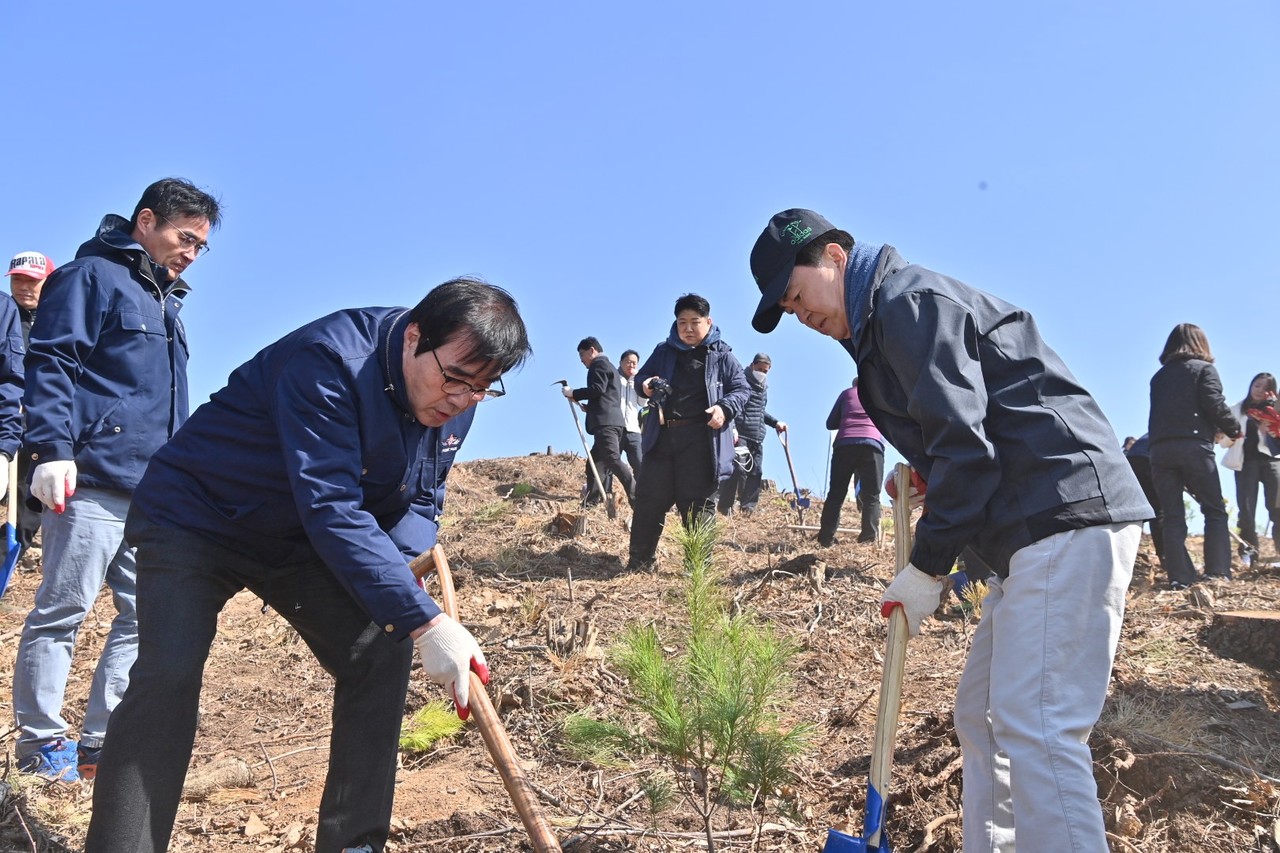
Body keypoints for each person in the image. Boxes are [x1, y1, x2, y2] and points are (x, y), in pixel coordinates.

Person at [748, 208, 1151, 852]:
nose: (800, 316)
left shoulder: (909, 303)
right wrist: (929, 480)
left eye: (796, 296)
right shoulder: (884, 331)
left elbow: (969, 450)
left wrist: (927, 568)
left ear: (833, 257)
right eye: (787, 311)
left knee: (1038, 723)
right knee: (983, 715)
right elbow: (971, 436)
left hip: (1063, 511)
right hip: (1026, 530)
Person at [83, 278, 530, 853]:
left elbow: (419, 500)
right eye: (455, 378)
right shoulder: (331, 361)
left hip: (299, 540)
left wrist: (398, 591)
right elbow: (332, 504)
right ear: (414, 335)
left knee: (380, 646)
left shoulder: (457, 402)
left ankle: (354, 844)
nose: (462, 399)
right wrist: (426, 621)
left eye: (483, 388)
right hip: (199, 518)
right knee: (167, 675)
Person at [13, 178, 221, 783]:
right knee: (63, 608)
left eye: (201, 246)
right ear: (146, 221)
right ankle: (40, 744)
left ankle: (101, 741)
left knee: (141, 616)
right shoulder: (91, 277)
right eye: (185, 238)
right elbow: (52, 362)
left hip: (151, 491)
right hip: (91, 480)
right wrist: (51, 450)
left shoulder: (166, 303)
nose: (192, 253)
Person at [627, 294, 749, 572]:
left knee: (698, 505)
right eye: (682, 322)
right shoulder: (664, 351)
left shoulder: (722, 355)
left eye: (695, 322)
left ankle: (697, 570)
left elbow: (742, 389)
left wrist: (724, 408)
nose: (688, 328)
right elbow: (641, 379)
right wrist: (645, 385)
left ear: (709, 322)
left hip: (701, 440)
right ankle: (639, 563)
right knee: (648, 500)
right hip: (662, 438)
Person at [1147, 323, 1241, 587]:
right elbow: (1214, 403)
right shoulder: (1204, 369)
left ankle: (1180, 577)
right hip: (1193, 446)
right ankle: (1217, 572)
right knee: (1214, 509)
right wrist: (1234, 428)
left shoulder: (1159, 376)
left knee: (1172, 515)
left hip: (1160, 449)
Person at [6, 251, 54, 561]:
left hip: (38, 427)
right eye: (18, 280)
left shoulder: (58, 321)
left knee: (26, 510)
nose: (24, 287)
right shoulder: (3, 315)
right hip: (7, 418)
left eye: (32, 281)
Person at [563, 337, 635, 504]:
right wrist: (590, 408)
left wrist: (573, 393)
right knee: (595, 464)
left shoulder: (599, 364)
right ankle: (592, 502)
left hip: (606, 424)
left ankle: (638, 497)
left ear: (592, 350)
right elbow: (607, 396)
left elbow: (597, 389)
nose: (581, 360)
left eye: (582, 354)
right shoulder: (610, 367)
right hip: (611, 421)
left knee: (612, 459)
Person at [717, 353, 786, 516]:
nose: (762, 373)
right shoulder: (741, 382)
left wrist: (775, 423)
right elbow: (733, 405)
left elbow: (760, 412)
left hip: (757, 436)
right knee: (738, 469)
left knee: (756, 472)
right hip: (741, 434)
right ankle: (725, 505)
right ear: (752, 365)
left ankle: (748, 508)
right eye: (759, 369)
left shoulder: (763, 388)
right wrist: (733, 428)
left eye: (765, 371)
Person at [1222, 372, 1280, 564]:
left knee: (1277, 507)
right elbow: (1223, 439)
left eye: (1266, 388)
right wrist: (1233, 435)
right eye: (1257, 385)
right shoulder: (1237, 409)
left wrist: (1271, 428)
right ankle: (1249, 554)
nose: (1260, 390)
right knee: (1246, 510)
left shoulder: (1276, 409)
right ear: (1251, 385)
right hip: (1245, 462)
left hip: (1272, 460)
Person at [816, 379, 882, 545]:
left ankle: (826, 538)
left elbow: (830, 423)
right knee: (872, 495)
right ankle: (868, 538)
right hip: (872, 445)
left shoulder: (846, 394)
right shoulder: (878, 394)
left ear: (854, 385)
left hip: (844, 445)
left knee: (836, 494)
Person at [1122, 434, 1165, 570]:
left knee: (1135, 510)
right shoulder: (1180, 433)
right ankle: (1165, 557)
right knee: (1158, 511)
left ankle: (1125, 554)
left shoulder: (1157, 430)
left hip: (1131, 462)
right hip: (1149, 460)